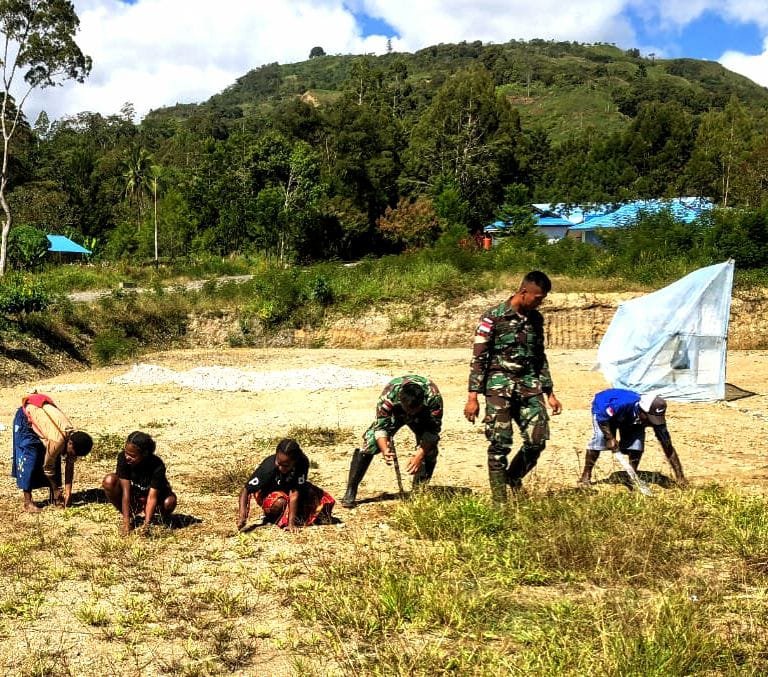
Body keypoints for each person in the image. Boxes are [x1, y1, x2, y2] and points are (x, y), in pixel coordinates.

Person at [464, 270, 563, 502]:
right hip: (499, 388)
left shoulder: (536, 319)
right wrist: (472, 397)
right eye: (538, 298)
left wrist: (549, 392)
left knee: (537, 440)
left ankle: (513, 477)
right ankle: (500, 502)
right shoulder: (493, 317)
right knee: (499, 443)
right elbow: (479, 358)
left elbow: (539, 356)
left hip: (529, 386)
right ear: (524, 292)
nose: (540, 303)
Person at [341, 375, 443, 508]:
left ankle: (418, 492)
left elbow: (432, 431)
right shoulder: (389, 397)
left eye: (414, 410)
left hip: (423, 417)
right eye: (409, 410)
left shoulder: (433, 398)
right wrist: (385, 449)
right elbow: (381, 426)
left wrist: (420, 454)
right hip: (396, 414)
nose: (411, 414)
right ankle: (351, 489)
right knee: (370, 443)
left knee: (430, 451)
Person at [578, 388, 686, 487]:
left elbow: (667, 446)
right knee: (599, 439)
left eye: (655, 420)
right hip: (603, 411)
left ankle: (631, 475)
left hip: (630, 419)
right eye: (649, 419)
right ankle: (585, 476)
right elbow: (602, 416)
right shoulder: (622, 404)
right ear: (641, 410)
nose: (651, 423)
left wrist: (680, 477)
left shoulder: (656, 420)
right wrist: (609, 437)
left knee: (636, 444)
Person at [11, 393, 92, 513]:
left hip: (41, 419)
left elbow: (69, 465)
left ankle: (55, 498)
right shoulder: (57, 441)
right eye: (72, 454)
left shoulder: (72, 436)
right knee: (30, 458)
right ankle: (28, 503)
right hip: (25, 418)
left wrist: (68, 493)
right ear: (70, 443)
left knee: (54, 457)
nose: (71, 457)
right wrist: (56, 489)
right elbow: (48, 468)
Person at [237, 438, 335, 532]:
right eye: (278, 463)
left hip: (288, 488)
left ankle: (294, 516)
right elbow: (246, 490)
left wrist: (291, 524)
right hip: (269, 492)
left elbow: (295, 493)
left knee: (321, 501)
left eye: (285, 465)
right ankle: (273, 517)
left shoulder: (302, 463)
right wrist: (242, 515)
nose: (280, 468)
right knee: (280, 503)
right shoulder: (268, 468)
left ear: (294, 461)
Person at [102, 431, 177, 536]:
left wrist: (146, 526)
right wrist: (126, 523)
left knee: (169, 502)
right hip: (135, 498)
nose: (127, 457)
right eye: (126, 453)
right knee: (109, 481)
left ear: (145, 454)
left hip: (153, 499)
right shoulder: (123, 459)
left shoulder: (157, 466)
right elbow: (125, 493)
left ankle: (156, 519)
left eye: (132, 455)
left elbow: (152, 497)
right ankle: (130, 514)